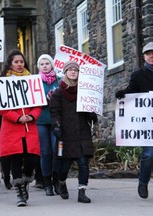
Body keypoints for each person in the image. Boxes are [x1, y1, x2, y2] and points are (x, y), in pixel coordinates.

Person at [115, 41, 153, 201]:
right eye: (148, 53)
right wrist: (122, 94)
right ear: (144, 57)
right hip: (148, 124)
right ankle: (143, 181)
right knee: (149, 155)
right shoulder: (138, 75)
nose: (151, 56)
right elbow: (131, 93)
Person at [0, 49, 42, 207]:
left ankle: (26, 179)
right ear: (10, 63)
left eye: (21, 61)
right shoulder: (2, 81)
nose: (19, 64)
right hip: (12, 127)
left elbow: (38, 103)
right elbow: (0, 107)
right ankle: (20, 192)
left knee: (32, 158)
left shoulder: (32, 80)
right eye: (16, 62)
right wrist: (17, 117)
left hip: (29, 126)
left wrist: (32, 116)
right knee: (15, 158)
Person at [49, 60, 97, 203]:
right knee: (64, 166)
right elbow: (55, 112)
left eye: (75, 70)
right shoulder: (58, 93)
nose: (73, 72)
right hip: (65, 134)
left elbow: (90, 110)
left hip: (82, 132)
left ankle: (82, 191)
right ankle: (62, 182)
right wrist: (56, 126)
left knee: (83, 163)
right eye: (70, 70)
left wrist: (92, 114)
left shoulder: (85, 92)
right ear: (65, 72)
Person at [36, 54, 61, 196]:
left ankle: (56, 180)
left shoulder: (59, 81)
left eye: (47, 63)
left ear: (52, 65)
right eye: (42, 64)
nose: (45, 66)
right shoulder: (36, 82)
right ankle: (47, 183)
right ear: (39, 66)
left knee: (56, 150)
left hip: (55, 120)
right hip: (40, 120)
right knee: (45, 152)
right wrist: (44, 99)